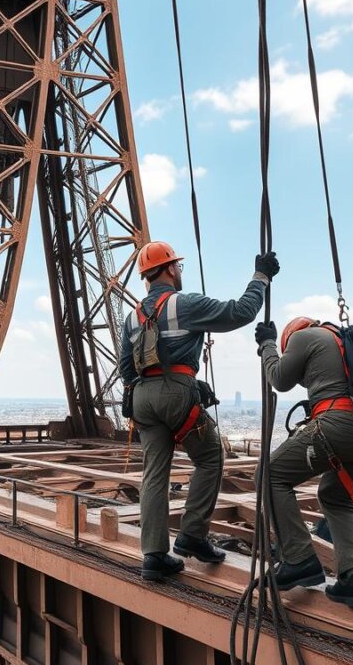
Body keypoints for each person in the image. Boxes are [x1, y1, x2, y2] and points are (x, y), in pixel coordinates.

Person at [119, 241, 279, 580]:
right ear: (171, 269)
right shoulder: (184, 304)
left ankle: (154, 557)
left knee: (154, 474)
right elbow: (240, 312)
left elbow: (125, 367)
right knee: (210, 457)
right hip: (175, 392)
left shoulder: (132, 317)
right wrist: (261, 277)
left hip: (143, 398)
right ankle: (192, 534)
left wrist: (144, 392)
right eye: (178, 266)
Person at [254, 318, 353, 609]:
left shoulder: (303, 338)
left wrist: (267, 345)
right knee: (337, 496)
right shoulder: (344, 344)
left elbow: (279, 378)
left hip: (339, 425)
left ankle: (297, 558)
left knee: (270, 474)